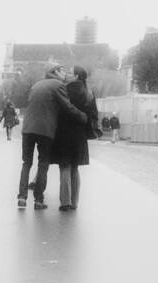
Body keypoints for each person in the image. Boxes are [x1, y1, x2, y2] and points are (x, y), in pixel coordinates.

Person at [17, 62, 87, 210]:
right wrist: (82, 116)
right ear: (54, 72)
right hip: (45, 130)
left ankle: (22, 197)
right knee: (43, 164)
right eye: (62, 71)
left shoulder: (36, 85)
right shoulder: (58, 85)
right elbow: (67, 106)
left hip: (28, 129)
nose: (65, 74)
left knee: (26, 163)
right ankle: (38, 200)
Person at [50, 65, 98, 211]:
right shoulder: (89, 92)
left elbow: (56, 109)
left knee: (65, 166)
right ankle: (75, 202)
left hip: (63, 132)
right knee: (75, 167)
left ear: (76, 76)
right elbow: (94, 115)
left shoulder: (63, 89)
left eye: (70, 72)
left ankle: (65, 202)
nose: (67, 74)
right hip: (79, 134)